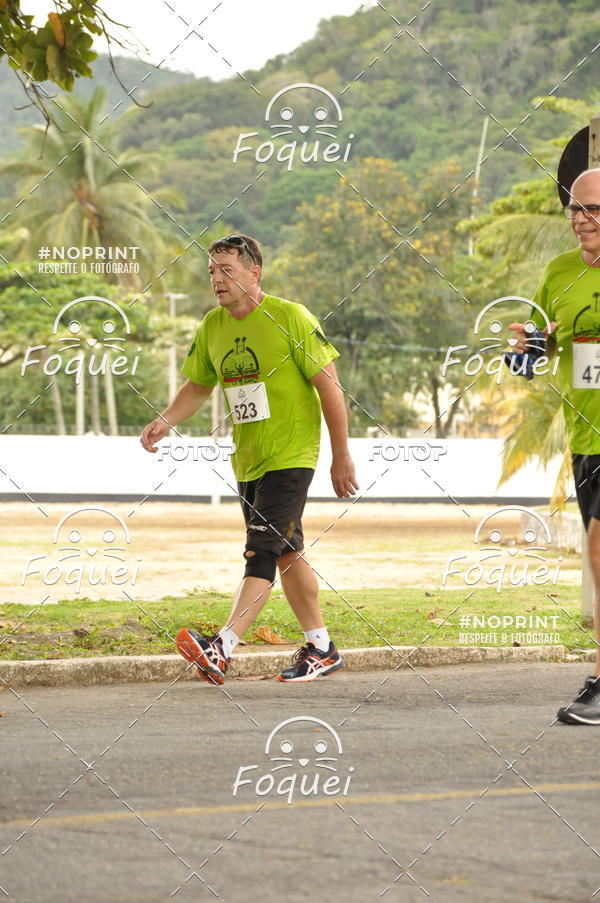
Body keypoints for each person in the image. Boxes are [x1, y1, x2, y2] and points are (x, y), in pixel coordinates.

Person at [140, 233, 359, 685]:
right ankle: (321, 649)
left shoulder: (290, 317)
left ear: (253, 274)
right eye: (212, 272)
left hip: (291, 455)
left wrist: (341, 455)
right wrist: (165, 419)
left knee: (260, 551)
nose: (217, 280)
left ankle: (222, 647)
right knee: (287, 553)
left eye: (227, 270)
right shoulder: (212, 326)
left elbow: (329, 386)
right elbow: (199, 385)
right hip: (249, 460)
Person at [509, 167, 600, 724]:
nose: (581, 219)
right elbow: (539, 351)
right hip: (586, 437)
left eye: (594, 210)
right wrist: (524, 350)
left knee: (599, 552)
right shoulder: (560, 272)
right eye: (574, 209)